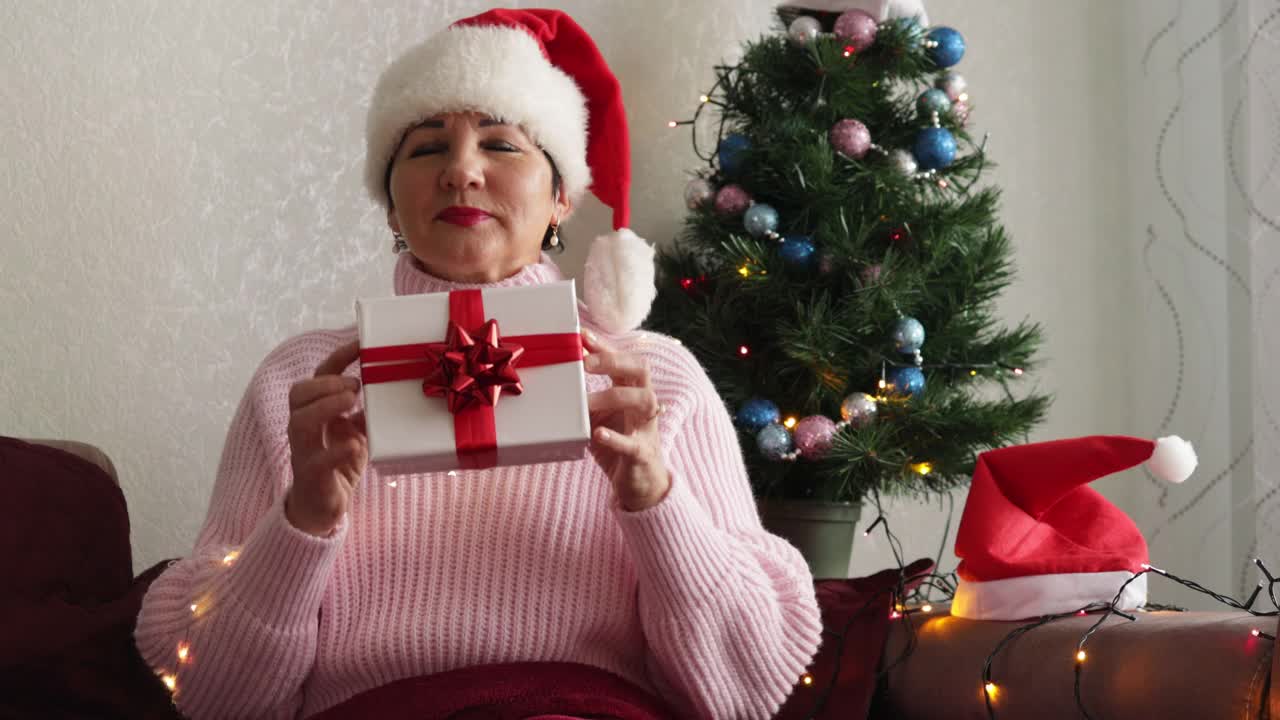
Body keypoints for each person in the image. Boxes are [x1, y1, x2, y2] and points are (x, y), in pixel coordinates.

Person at [135, 8, 821, 719]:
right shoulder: (304, 383)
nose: (462, 170)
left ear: (562, 197)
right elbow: (216, 697)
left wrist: (656, 500)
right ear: (390, 205)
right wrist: (302, 521)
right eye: (427, 150)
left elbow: (744, 690)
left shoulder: (650, 380)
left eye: (502, 144)